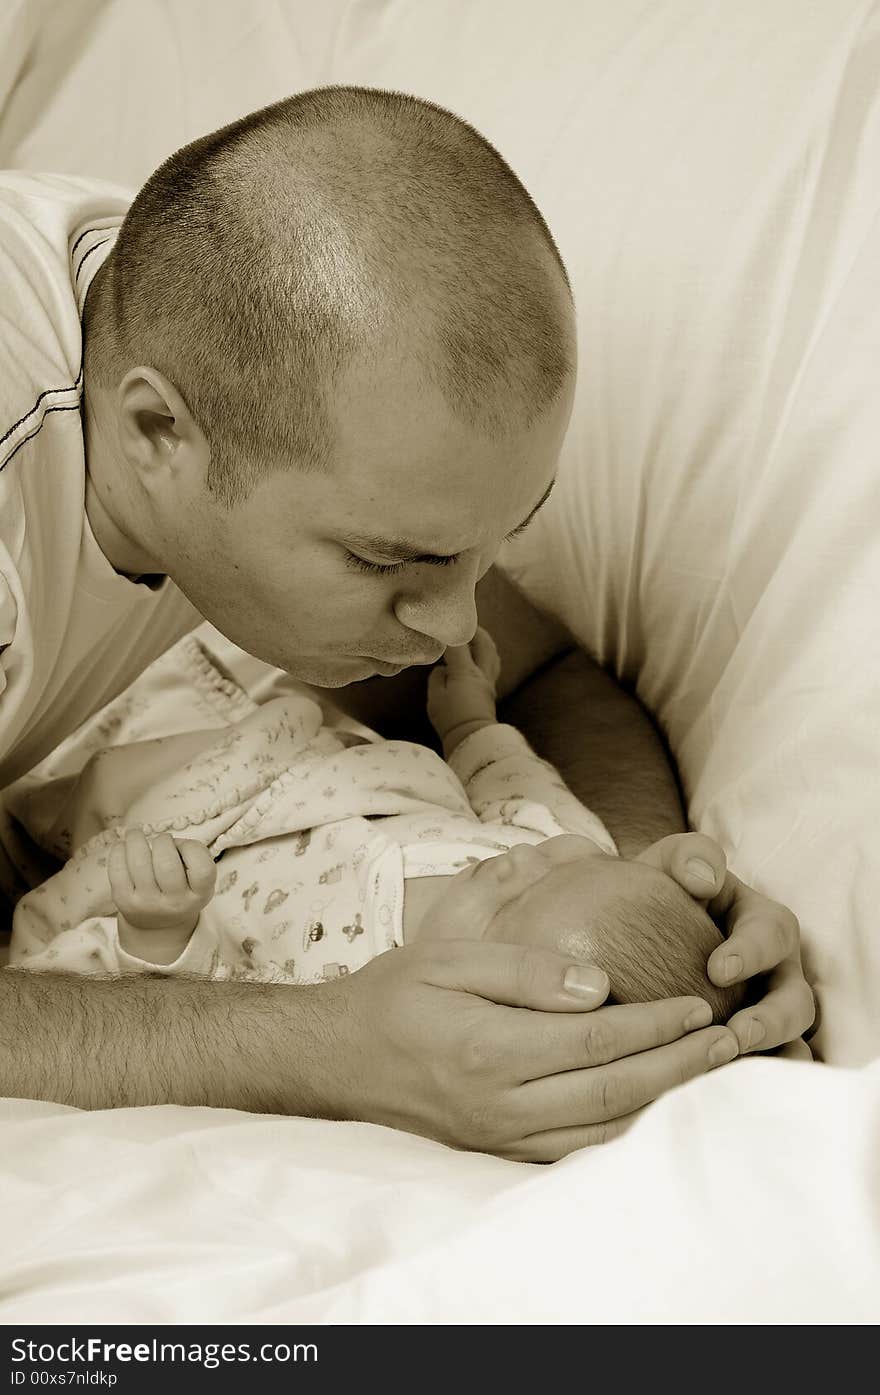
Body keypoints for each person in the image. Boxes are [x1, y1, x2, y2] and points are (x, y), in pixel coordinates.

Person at [0, 86, 813, 1154]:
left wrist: (642, 889)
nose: (452, 621)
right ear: (157, 430)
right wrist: (325, 1047)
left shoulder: (241, 323)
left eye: (497, 541)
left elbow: (538, 674)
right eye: (389, 560)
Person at [9, 628, 745, 1157]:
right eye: (563, 863)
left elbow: (212, 997)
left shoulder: (353, 989)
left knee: (73, 814)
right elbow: (510, 784)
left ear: (479, 1022)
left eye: (509, 904)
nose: (519, 863)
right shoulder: (549, 846)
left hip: (175, 834)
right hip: (283, 738)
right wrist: (470, 718)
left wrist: (161, 929)